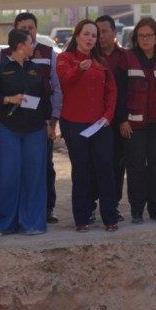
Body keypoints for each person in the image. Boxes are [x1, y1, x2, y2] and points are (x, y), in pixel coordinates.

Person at [0, 12, 61, 224]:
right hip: (11, 124)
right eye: (23, 29)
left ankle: (45, 209)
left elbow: (56, 90)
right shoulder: (3, 56)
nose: (28, 32)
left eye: (30, 28)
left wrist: (53, 120)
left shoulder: (48, 53)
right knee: (13, 168)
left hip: (38, 123)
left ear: (36, 29)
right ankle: (14, 212)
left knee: (43, 166)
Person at [0, 28, 48, 236]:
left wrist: (50, 124)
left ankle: (33, 223)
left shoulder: (36, 69)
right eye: (30, 42)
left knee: (34, 176)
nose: (33, 46)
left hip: (35, 129)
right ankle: (1, 224)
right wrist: (10, 99)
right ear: (20, 46)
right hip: (7, 128)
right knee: (6, 175)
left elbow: (44, 98)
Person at [56, 19, 119, 232]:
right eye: (86, 34)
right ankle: (81, 219)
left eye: (94, 35)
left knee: (105, 169)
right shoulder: (65, 59)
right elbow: (64, 80)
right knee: (81, 170)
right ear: (77, 37)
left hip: (100, 125)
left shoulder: (101, 62)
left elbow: (112, 91)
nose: (91, 38)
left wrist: (108, 116)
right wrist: (79, 70)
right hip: (74, 123)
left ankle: (110, 217)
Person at [116, 18, 156, 224]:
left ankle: (155, 208)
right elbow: (119, 92)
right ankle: (137, 210)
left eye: (149, 35)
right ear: (136, 38)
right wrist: (122, 120)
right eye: (142, 36)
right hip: (134, 124)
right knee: (136, 166)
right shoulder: (127, 57)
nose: (146, 39)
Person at [94, 15, 127, 220]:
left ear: (115, 33)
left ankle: (112, 205)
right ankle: (89, 205)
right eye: (97, 32)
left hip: (118, 120)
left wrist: (124, 118)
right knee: (92, 164)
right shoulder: (88, 56)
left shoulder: (125, 57)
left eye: (105, 31)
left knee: (117, 163)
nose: (100, 36)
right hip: (93, 120)